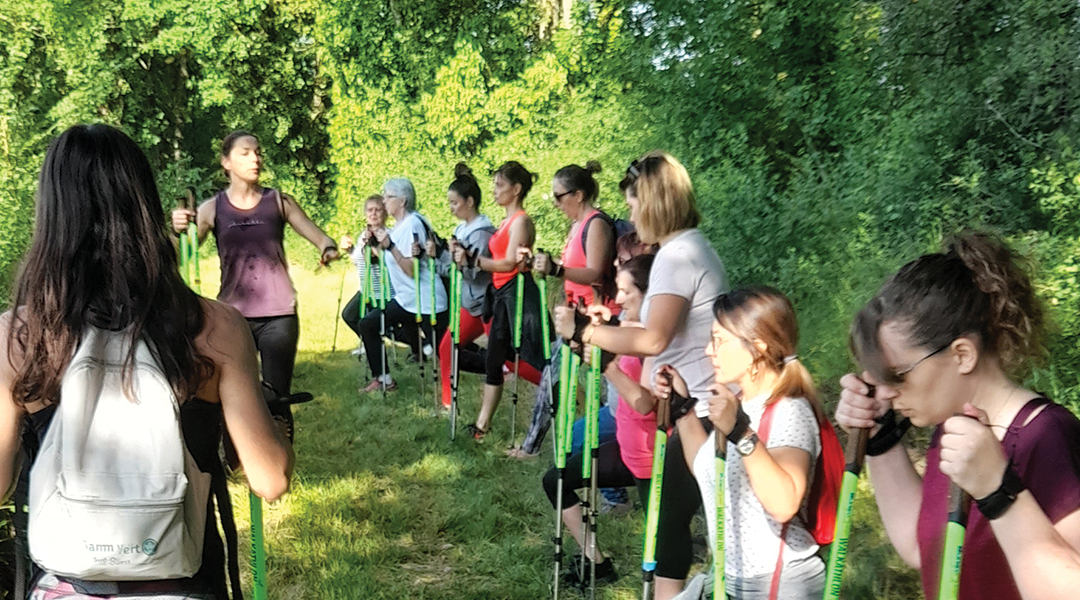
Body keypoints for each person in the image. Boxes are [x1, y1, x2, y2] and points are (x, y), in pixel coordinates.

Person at [0, 124, 292, 599]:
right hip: (186, 581)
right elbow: (270, 478)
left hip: (66, 585)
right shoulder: (213, 327)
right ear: (144, 207)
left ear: (51, 215)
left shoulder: (19, 336)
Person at [834, 232, 1080, 600]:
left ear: (962, 354)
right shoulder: (953, 430)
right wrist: (879, 438)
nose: (885, 391)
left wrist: (998, 490)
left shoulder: (1047, 436)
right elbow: (923, 549)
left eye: (898, 375)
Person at [555, 150, 729, 600]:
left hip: (702, 409)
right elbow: (665, 330)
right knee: (677, 518)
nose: (630, 216)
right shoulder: (690, 247)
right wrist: (611, 326)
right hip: (697, 406)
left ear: (652, 201)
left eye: (633, 204)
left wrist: (589, 332)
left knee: (671, 519)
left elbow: (654, 339)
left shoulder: (677, 255)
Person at [657, 287, 828, 599]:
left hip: (777, 584)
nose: (709, 351)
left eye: (718, 341)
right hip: (731, 578)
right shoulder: (740, 402)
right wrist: (683, 408)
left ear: (757, 347)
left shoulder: (789, 409)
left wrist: (741, 433)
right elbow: (707, 468)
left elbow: (784, 504)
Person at [172, 130, 339, 430]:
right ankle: (237, 460)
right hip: (234, 316)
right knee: (233, 395)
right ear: (226, 162)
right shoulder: (212, 208)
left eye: (258, 152)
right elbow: (179, 255)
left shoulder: (279, 201)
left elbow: (320, 236)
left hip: (279, 314)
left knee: (277, 398)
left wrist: (328, 248)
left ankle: (279, 465)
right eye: (246, 153)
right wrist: (175, 229)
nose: (256, 158)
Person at [541, 254, 658, 587]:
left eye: (626, 291)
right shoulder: (625, 328)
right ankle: (597, 563)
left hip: (653, 459)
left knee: (662, 552)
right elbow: (602, 335)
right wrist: (584, 334)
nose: (618, 298)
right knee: (557, 480)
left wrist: (607, 365)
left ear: (648, 293)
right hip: (627, 448)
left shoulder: (654, 340)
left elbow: (643, 402)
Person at [457, 161, 545, 441]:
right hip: (502, 296)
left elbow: (509, 264)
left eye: (499, 185)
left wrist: (474, 260)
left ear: (516, 189)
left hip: (519, 294)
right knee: (495, 359)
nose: (494, 191)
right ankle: (482, 426)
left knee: (537, 358)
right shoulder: (507, 221)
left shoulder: (521, 221)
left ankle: (572, 398)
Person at [360, 178, 449, 392]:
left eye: (388, 196)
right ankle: (384, 380)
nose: (384, 201)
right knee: (368, 324)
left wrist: (390, 247)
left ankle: (497, 365)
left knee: (449, 351)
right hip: (407, 301)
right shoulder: (399, 227)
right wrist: (376, 245)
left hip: (426, 301)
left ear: (403, 201)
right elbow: (389, 257)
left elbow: (411, 270)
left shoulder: (412, 224)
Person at [430, 164, 497, 409]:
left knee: (507, 359)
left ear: (470, 202)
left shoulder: (482, 234)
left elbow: (476, 273)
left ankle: (547, 381)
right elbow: (453, 269)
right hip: (469, 305)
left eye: (454, 203)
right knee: (446, 346)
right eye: (449, 203)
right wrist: (439, 255)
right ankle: (449, 404)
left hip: (485, 305)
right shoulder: (461, 229)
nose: (451, 208)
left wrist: (457, 261)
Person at [340, 195, 388, 355]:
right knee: (349, 315)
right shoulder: (363, 235)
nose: (373, 214)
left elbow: (388, 261)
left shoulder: (388, 235)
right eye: (370, 210)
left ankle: (422, 345)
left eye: (378, 210)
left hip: (382, 291)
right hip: (365, 289)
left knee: (386, 328)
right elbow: (359, 261)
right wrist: (350, 250)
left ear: (385, 213)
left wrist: (376, 249)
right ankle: (370, 343)